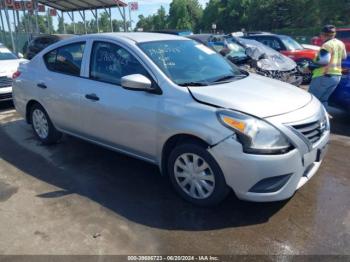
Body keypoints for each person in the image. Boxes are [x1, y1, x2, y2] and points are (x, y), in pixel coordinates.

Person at [308, 25, 347, 111]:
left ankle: (311, 121)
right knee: (323, 100)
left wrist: (310, 65)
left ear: (323, 34)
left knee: (312, 100)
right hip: (336, 76)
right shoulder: (340, 43)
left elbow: (323, 61)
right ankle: (323, 119)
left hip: (324, 76)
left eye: (321, 34)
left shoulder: (326, 45)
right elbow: (344, 57)